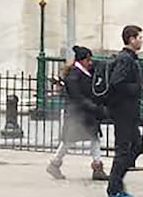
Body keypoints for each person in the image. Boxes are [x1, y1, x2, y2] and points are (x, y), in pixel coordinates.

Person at [46, 46, 108, 181]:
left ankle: (97, 166)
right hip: (77, 113)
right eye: (88, 60)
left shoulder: (86, 71)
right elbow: (77, 97)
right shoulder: (74, 76)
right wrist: (94, 107)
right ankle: (55, 163)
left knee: (94, 138)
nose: (90, 62)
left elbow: (98, 68)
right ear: (81, 60)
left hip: (86, 113)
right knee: (68, 141)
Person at [105, 24, 143, 197]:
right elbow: (116, 82)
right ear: (131, 39)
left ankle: (117, 180)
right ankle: (114, 189)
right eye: (139, 38)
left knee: (137, 145)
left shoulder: (129, 58)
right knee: (123, 149)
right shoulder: (125, 59)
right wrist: (136, 89)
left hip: (129, 111)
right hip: (123, 112)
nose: (141, 41)